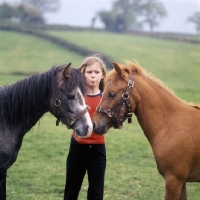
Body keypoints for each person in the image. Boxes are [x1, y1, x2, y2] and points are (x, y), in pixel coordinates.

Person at [64, 54, 107, 200]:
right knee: (71, 191)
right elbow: (69, 119)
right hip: (77, 149)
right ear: (83, 74)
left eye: (96, 72)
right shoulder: (77, 98)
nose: (93, 76)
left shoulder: (106, 100)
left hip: (98, 151)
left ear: (102, 75)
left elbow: (110, 121)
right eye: (89, 72)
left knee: (96, 194)